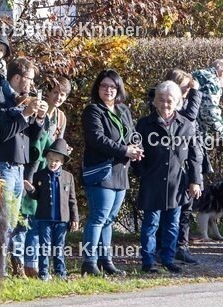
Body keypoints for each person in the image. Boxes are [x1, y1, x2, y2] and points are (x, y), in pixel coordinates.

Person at [0, 57, 47, 276]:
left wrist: (38, 119)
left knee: (11, 223)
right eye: (29, 79)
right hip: (3, 164)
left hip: (18, 167)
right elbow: (2, 133)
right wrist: (25, 114)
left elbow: (31, 137)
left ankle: (4, 268)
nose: (31, 85)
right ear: (17, 77)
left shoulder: (21, 99)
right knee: (2, 222)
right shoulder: (0, 96)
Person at [133, 81, 203, 274]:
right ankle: (148, 261)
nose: (165, 104)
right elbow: (136, 153)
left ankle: (168, 259)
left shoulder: (187, 125)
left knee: (173, 224)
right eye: (161, 100)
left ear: (178, 102)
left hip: (177, 182)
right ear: (155, 101)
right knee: (151, 224)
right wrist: (142, 173)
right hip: (152, 182)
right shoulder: (144, 124)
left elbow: (194, 156)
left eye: (169, 100)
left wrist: (195, 181)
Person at [80, 70, 142, 276]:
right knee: (98, 217)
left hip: (120, 172)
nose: (108, 90)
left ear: (118, 89)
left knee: (109, 220)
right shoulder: (93, 111)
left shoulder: (123, 110)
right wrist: (125, 150)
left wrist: (136, 148)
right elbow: (97, 139)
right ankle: (89, 262)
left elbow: (132, 134)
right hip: (101, 171)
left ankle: (106, 261)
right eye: (104, 86)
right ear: (97, 88)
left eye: (112, 87)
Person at [24, 138, 79, 280]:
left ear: (62, 162)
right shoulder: (39, 175)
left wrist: (75, 218)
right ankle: (43, 273)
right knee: (44, 246)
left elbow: (72, 200)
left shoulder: (68, 177)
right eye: (50, 159)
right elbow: (36, 196)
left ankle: (60, 272)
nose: (53, 163)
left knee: (59, 247)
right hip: (44, 218)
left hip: (62, 219)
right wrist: (31, 190)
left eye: (56, 160)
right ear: (47, 158)